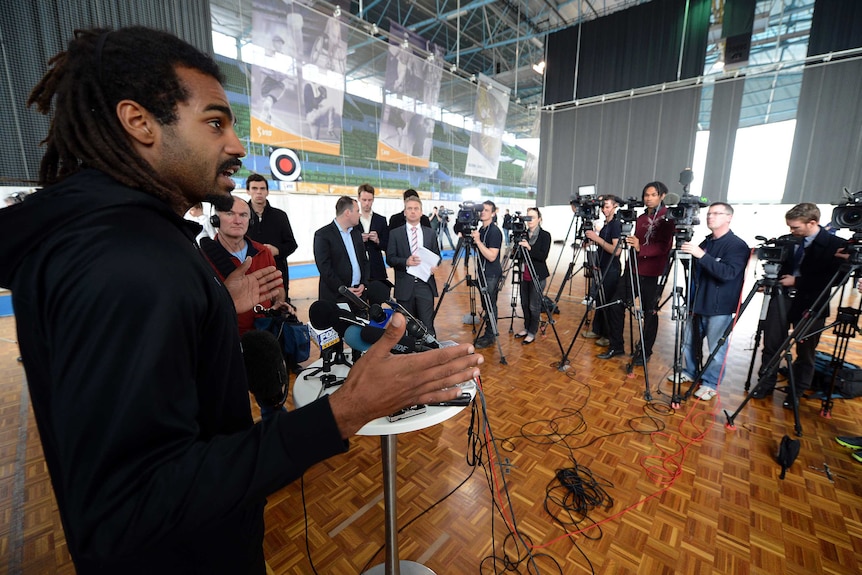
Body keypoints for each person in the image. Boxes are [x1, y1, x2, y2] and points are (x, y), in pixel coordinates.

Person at [0, 27, 482, 574]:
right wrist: (344, 411)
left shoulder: (129, 244)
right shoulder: (122, 261)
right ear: (139, 123)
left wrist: (212, 308)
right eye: (214, 122)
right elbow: (127, 508)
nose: (235, 144)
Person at [752, 202, 847, 408]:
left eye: (795, 227)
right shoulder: (789, 240)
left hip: (812, 303)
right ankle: (765, 383)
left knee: (805, 352)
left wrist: (798, 282)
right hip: (781, 298)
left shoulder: (835, 245)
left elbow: (837, 279)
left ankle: (796, 391)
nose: (791, 231)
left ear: (812, 222)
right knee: (771, 345)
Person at [670, 202, 750, 400]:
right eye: (709, 213)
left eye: (716, 213)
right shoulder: (706, 242)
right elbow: (696, 269)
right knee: (688, 342)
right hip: (697, 301)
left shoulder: (737, 246)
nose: (710, 217)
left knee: (716, 346)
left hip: (719, 307)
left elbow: (728, 273)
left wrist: (701, 255)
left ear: (729, 217)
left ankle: (710, 383)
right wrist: (686, 254)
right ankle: (689, 372)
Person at [598, 182, 674, 364]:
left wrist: (641, 247)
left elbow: (664, 247)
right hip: (632, 269)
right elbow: (635, 242)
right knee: (615, 304)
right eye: (646, 195)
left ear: (662, 196)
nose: (648, 198)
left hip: (652, 273)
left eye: (653, 194)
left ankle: (644, 352)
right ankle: (616, 345)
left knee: (650, 313)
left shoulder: (668, 218)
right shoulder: (640, 218)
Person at [200, 195, 289, 335]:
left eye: (243, 215)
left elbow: (277, 287)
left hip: (265, 331)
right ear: (215, 220)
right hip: (227, 335)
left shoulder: (263, 252)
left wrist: (279, 302)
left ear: (250, 221)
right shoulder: (203, 257)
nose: (237, 221)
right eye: (230, 214)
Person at [386, 196, 441, 335]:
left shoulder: (430, 233)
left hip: (425, 285)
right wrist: (406, 261)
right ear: (404, 212)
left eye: (416, 208)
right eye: (409, 208)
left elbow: (437, 255)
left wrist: (435, 265)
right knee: (407, 327)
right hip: (405, 286)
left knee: (427, 326)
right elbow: (390, 258)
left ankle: (429, 354)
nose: (413, 211)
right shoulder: (395, 234)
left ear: (421, 212)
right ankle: (410, 356)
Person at [246, 173, 298, 299]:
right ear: (248, 191)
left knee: (279, 311)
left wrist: (277, 250)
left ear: (268, 192)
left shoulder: (280, 216)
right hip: (249, 275)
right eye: (254, 188)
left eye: (262, 189)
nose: (259, 192)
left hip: (276, 274)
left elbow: (292, 244)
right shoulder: (241, 216)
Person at [313, 195, 369, 307]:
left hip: (359, 296)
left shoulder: (356, 234)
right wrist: (344, 290)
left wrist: (363, 283)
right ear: (348, 213)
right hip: (335, 299)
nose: (360, 214)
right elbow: (325, 269)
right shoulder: (323, 235)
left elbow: (364, 261)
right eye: (357, 211)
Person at [583, 195, 622, 346]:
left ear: (615, 206)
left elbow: (616, 250)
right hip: (602, 266)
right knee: (600, 300)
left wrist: (597, 238)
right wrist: (593, 240)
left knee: (607, 302)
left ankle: (607, 335)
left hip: (611, 269)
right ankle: (597, 330)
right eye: (603, 207)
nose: (604, 209)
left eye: (607, 206)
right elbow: (604, 245)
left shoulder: (616, 225)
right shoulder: (607, 225)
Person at [469, 200, 504, 349]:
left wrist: (477, 241)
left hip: (491, 274)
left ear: (493, 213)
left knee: (490, 306)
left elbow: (491, 256)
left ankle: (491, 335)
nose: (483, 212)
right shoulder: (481, 230)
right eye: (481, 210)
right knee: (485, 304)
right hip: (482, 273)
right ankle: (489, 330)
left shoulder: (495, 231)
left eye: (487, 210)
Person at [513, 207, 551, 345]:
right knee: (524, 303)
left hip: (538, 275)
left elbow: (542, 256)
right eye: (527, 217)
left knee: (534, 306)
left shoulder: (545, 235)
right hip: (524, 274)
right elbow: (515, 255)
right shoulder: (522, 234)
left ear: (539, 219)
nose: (529, 220)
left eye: (532, 217)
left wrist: (529, 247)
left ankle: (532, 332)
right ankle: (526, 327)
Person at [357, 183, 390, 283]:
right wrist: (358, 240)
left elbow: (387, 245)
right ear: (358, 198)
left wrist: (378, 240)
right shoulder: (352, 220)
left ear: (373, 199)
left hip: (377, 269)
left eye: (370, 200)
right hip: (358, 268)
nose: (367, 203)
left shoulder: (381, 220)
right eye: (364, 200)